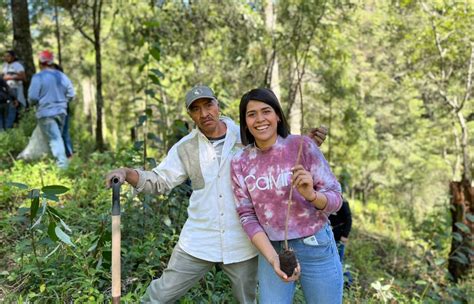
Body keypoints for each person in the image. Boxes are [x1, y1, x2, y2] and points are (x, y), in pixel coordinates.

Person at [105, 85, 328, 303]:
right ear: (190, 114)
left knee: (247, 299)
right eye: (196, 109)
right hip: (199, 239)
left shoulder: (245, 134)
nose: (204, 113)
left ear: (217, 105)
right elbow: (159, 180)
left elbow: (275, 152)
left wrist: (300, 145)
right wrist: (126, 172)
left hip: (243, 241)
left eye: (208, 105)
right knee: (160, 295)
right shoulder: (186, 147)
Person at [230, 88, 343, 304]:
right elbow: (247, 216)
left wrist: (312, 195)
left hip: (315, 244)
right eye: (251, 114)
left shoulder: (302, 146)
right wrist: (273, 259)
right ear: (244, 122)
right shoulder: (239, 162)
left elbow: (336, 198)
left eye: (266, 111)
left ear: (278, 116)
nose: (260, 119)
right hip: (272, 248)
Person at [28, 50, 75, 169]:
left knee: (55, 140)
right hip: (61, 112)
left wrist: (36, 103)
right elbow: (71, 94)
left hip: (45, 113)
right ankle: (55, 164)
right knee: (56, 138)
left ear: (40, 62)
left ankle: (63, 167)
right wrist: (62, 102)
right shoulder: (62, 76)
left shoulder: (38, 77)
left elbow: (32, 97)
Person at [329, 197, 353, 287]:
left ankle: (349, 282)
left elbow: (349, 220)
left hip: (339, 237)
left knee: (339, 260)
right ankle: (335, 281)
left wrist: (345, 235)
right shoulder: (329, 201)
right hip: (330, 236)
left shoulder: (343, 203)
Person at [51, 63, 74, 158]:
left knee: (64, 133)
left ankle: (69, 155)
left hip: (62, 110)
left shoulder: (63, 82)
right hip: (51, 111)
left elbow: (70, 95)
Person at [2, 50, 26, 128]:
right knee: (6, 110)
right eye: (5, 56)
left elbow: (23, 77)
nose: (6, 58)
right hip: (5, 91)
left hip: (15, 89)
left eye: (8, 56)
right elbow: (2, 77)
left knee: (13, 109)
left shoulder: (18, 65)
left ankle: (9, 129)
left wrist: (10, 77)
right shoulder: (4, 65)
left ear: (13, 57)